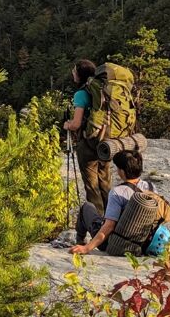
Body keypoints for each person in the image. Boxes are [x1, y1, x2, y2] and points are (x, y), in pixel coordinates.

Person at [70, 150, 156, 254]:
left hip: (114, 243)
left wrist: (87, 248)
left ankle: (81, 242)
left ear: (122, 171)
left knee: (87, 207)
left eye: (118, 168)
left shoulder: (117, 192)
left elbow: (109, 226)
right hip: (141, 243)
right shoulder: (151, 188)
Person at [63, 59, 111, 213]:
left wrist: (67, 125)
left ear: (80, 74)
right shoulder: (102, 90)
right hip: (105, 141)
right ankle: (111, 218)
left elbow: (76, 124)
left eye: (74, 71)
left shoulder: (81, 94)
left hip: (89, 142)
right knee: (105, 181)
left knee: (92, 185)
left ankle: (97, 221)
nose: (72, 73)